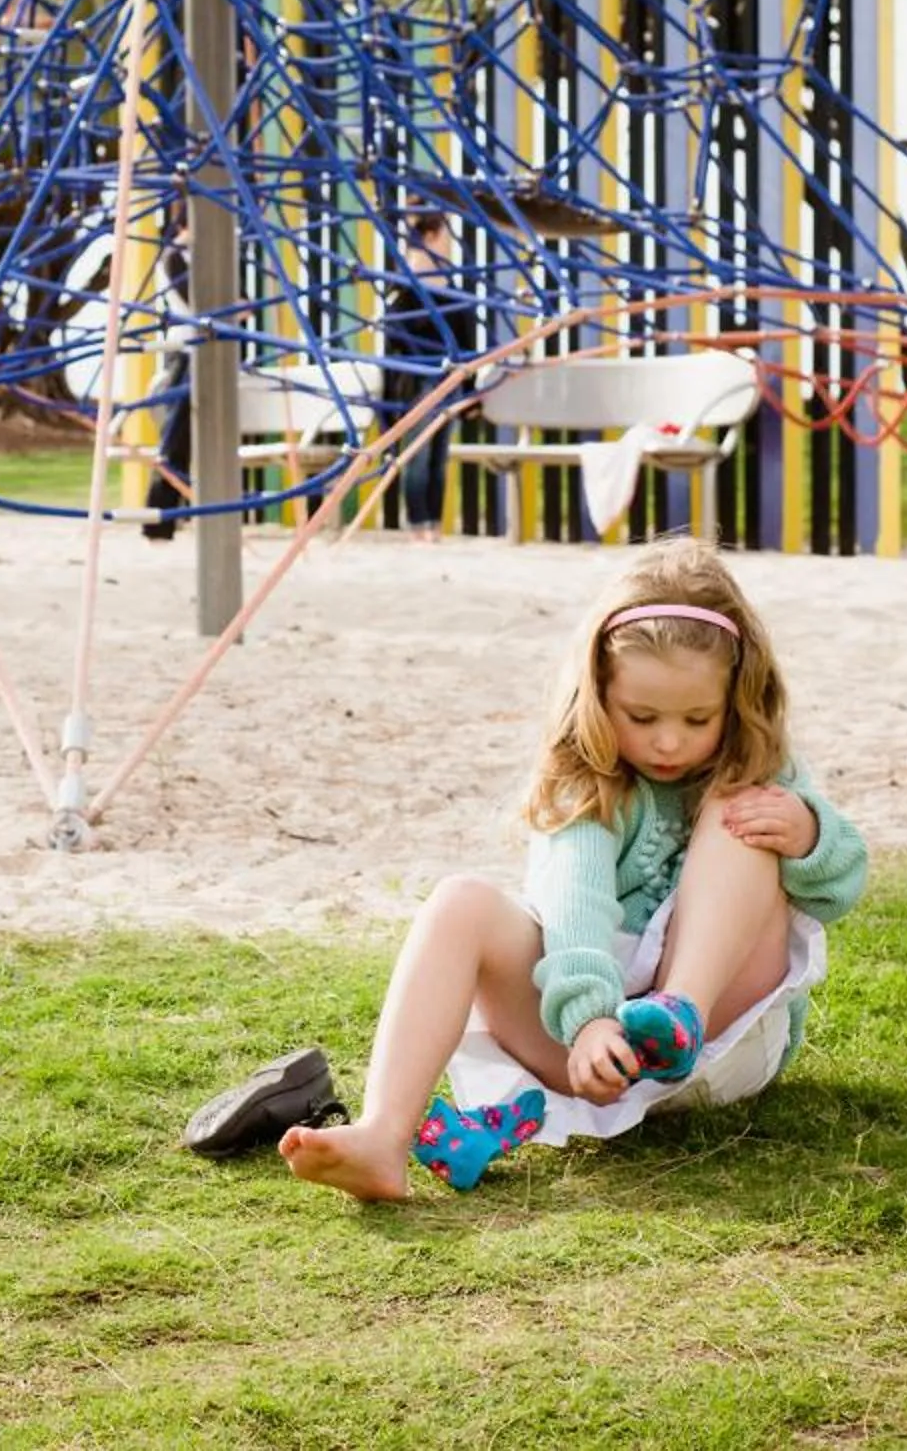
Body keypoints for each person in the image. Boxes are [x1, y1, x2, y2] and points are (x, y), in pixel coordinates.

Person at [270, 539, 868, 1200]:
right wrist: (589, 1021)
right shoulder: (585, 783)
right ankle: (382, 1135)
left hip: (718, 1036)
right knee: (460, 901)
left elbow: (842, 887)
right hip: (590, 1045)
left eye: (698, 718)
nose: (669, 741)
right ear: (598, 693)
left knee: (746, 808)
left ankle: (676, 1015)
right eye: (641, 716)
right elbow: (574, 906)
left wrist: (809, 832)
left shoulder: (752, 767)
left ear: (738, 698)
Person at [380, 211, 475, 541]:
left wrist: (467, 386)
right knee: (419, 454)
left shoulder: (442, 281)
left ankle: (432, 522)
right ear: (433, 235)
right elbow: (398, 333)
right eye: (444, 233)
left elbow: (464, 334)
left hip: (445, 378)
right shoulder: (412, 280)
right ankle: (419, 523)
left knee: (438, 454)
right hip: (421, 379)